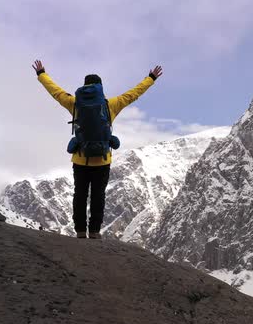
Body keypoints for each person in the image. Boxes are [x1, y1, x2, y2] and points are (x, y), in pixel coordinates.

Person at [32, 60, 163, 239]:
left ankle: (80, 231)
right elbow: (133, 94)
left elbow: (55, 92)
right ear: (101, 88)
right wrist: (151, 78)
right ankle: (94, 231)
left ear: (84, 87)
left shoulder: (74, 103)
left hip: (80, 159)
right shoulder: (110, 105)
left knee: (80, 195)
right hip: (102, 160)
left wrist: (42, 74)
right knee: (98, 196)